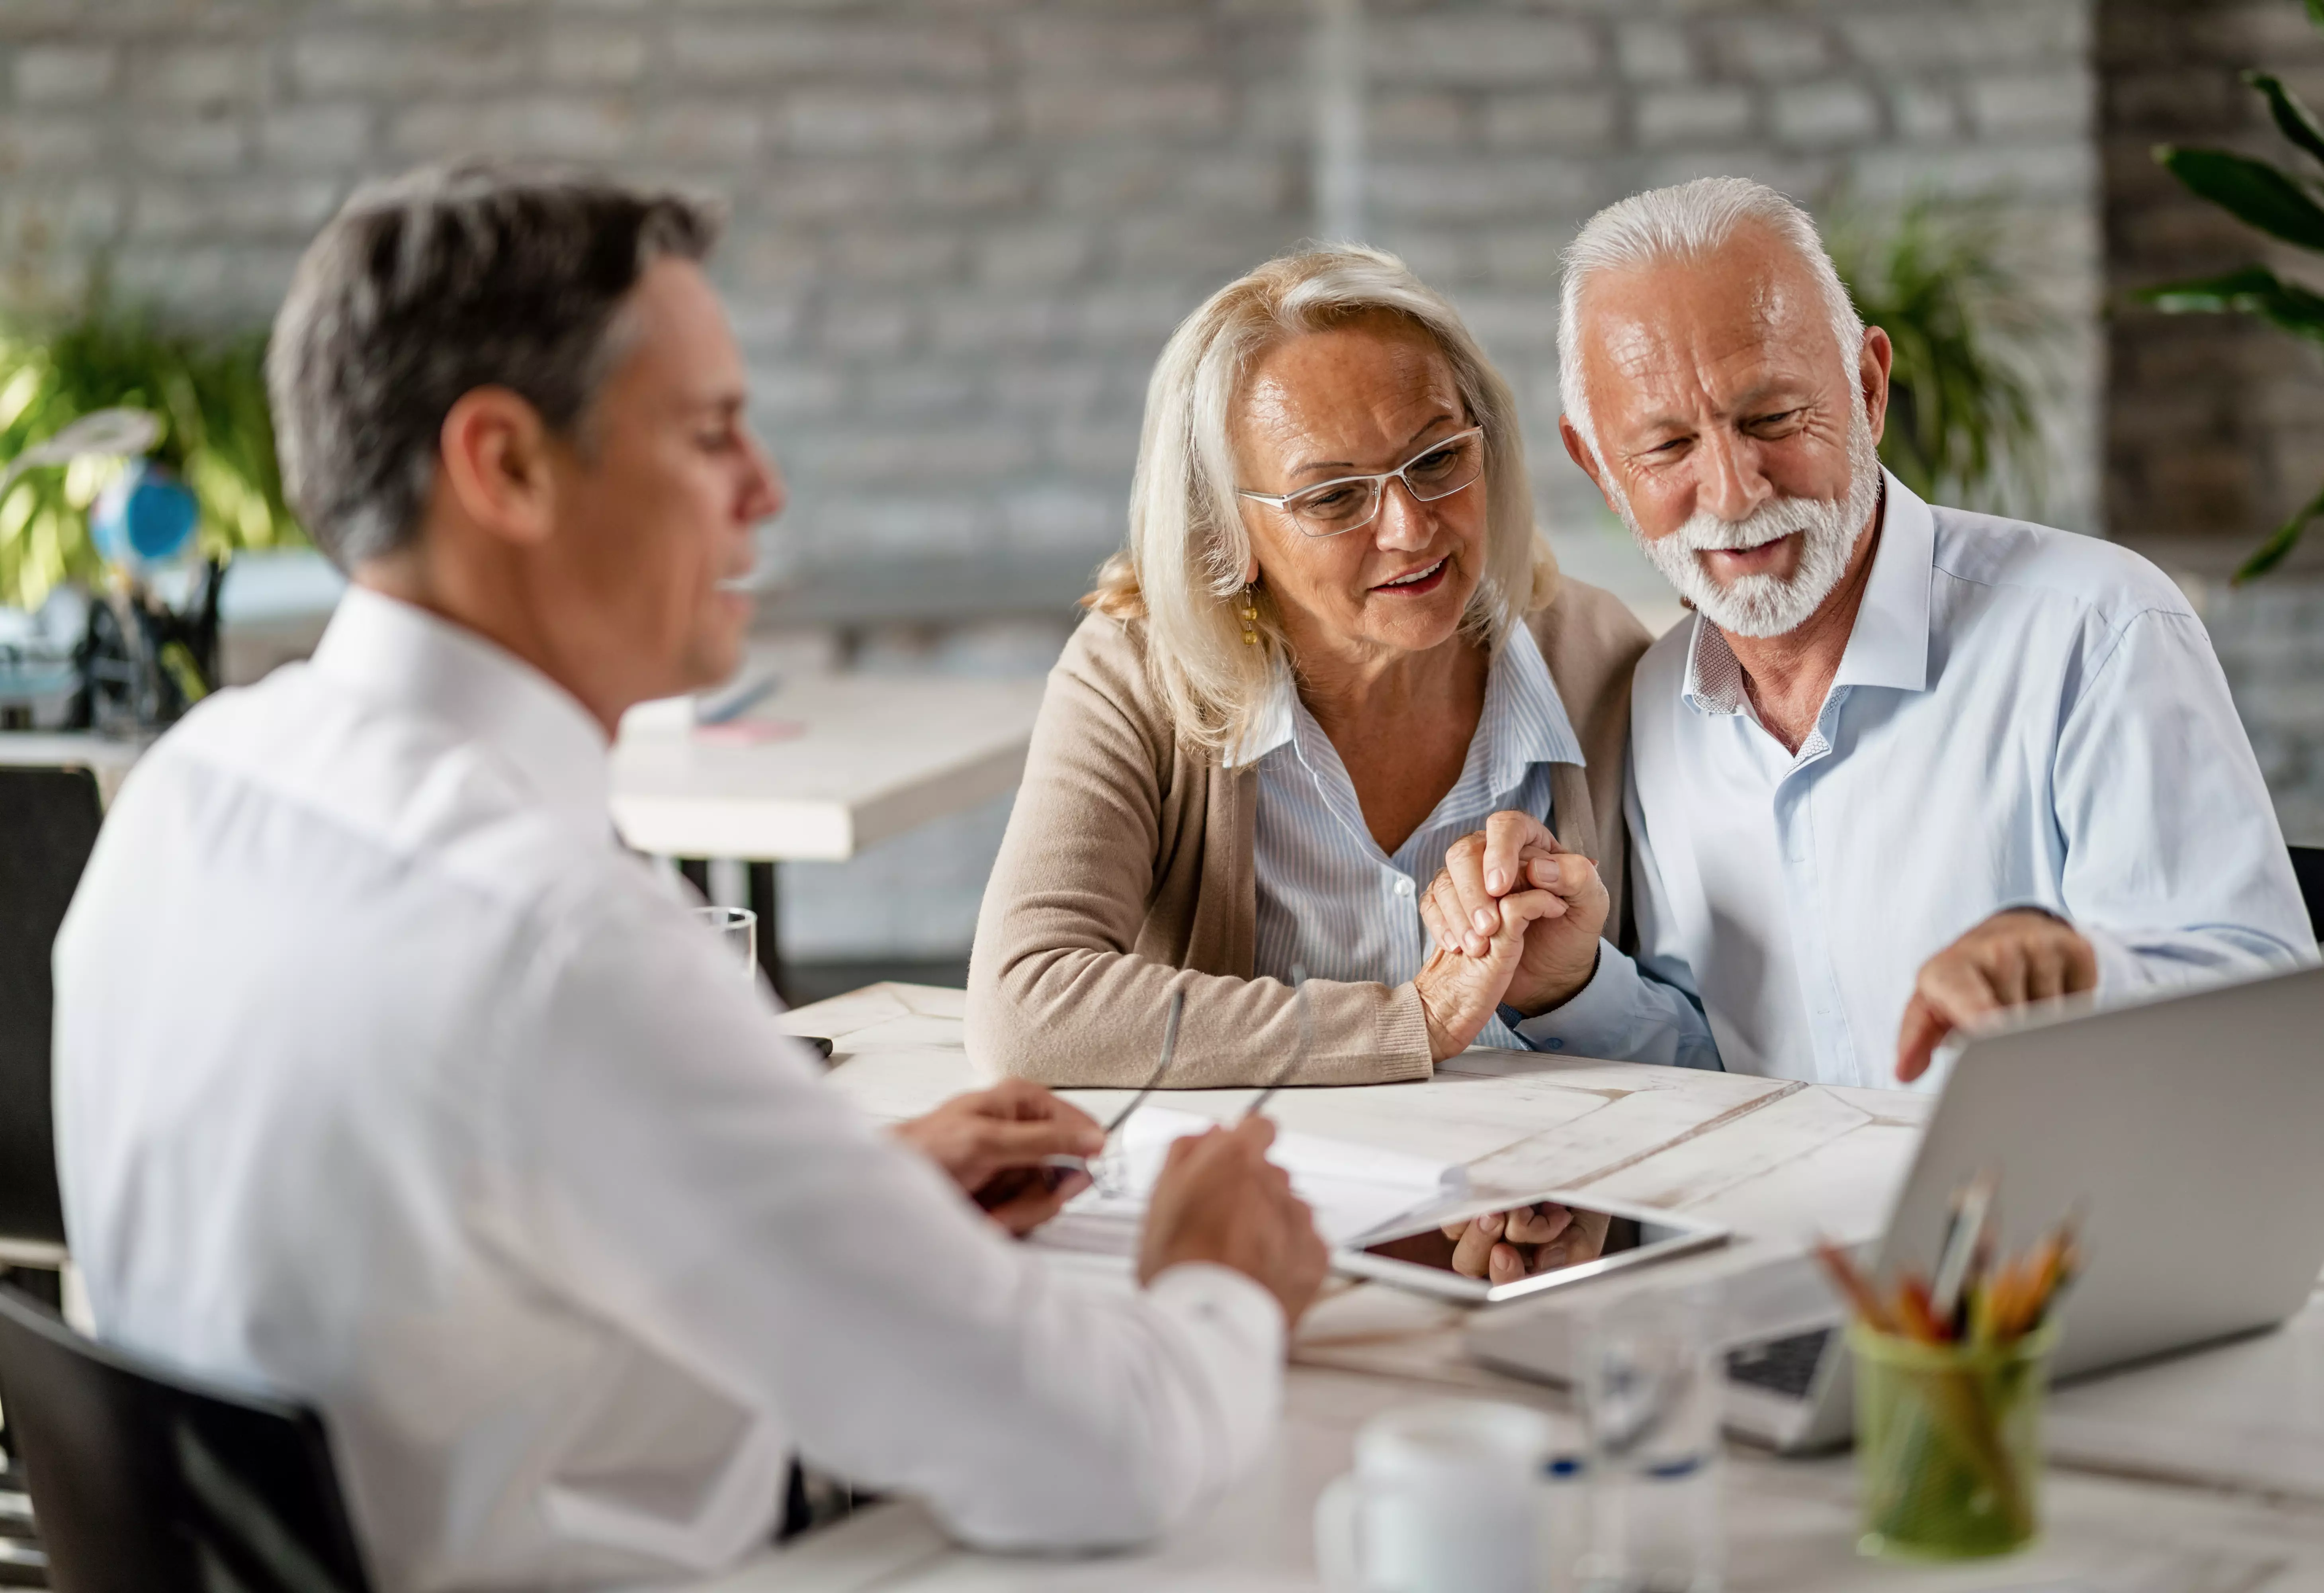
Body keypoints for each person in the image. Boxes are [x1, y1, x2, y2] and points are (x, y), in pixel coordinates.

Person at [51, 161, 1327, 1591]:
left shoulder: (189, 791)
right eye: (713, 434)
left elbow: (425, 1255)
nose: (764, 491)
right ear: (506, 468)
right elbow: (1102, 1457)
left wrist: (831, 1194)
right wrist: (1215, 1278)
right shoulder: (556, 941)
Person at [1421, 176, 2316, 1092]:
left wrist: (2077, 977)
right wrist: (1571, 985)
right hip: (1790, 1233)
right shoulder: (1656, 700)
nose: (1733, 493)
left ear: (1867, 388)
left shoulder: (2095, 629)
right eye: (1666, 449)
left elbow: (2266, 1019)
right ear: (1602, 472)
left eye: (1771, 417)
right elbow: (1722, 1068)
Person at [967, 247, 1653, 1088]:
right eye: (1332, 496)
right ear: (1225, 536)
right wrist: (1415, 1019)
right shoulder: (1138, 677)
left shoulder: (1599, 655)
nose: (1408, 527)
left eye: (1436, 460)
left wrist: (1571, 988)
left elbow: (1707, 1029)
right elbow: (1024, 1009)